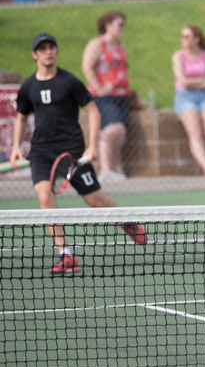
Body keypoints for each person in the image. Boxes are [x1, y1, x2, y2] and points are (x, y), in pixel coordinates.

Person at [10, 33, 147, 274]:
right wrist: (15, 149)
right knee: (44, 196)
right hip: (41, 151)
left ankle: (124, 220)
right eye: (42, 48)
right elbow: (21, 118)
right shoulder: (28, 86)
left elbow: (93, 111)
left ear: (56, 51)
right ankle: (66, 255)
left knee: (95, 201)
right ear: (34, 54)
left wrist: (92, 145)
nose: (48, 51)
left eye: (51, 46)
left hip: (72, 151)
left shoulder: (70, 82)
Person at [171, 24, 205, 178]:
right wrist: (201, 80)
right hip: (185, 97)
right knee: (196, 133)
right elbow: (182, 80)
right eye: (182, 36)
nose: (183, 40)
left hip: (204, 96)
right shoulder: (178, 56)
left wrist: (195, 81)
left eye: (187, 36)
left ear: (196, 39)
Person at [82, 10, 131, 181]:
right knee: (111, 130)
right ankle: (105, 170)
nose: (122, 28)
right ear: (108, 25)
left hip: (122, 96)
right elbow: (87, 67)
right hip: (103, 96)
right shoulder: (97, 44)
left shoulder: (120, 45)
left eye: (123, 25)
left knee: (121, 131)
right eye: (119, 24)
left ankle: (116, 167)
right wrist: (99, 88)